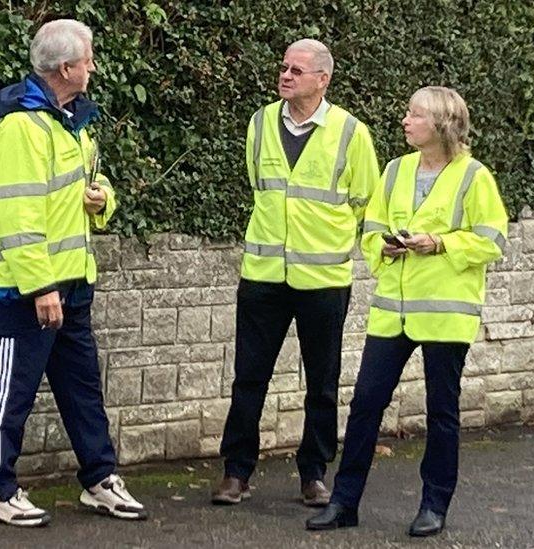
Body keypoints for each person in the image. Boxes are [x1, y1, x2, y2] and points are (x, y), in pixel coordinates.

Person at [306, 86, 508, 536]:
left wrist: (440, 243)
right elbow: (371, 229)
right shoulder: (395, 171)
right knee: (365, 406)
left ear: (440, 125)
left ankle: (433, 506)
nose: (405, 121)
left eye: (414, 115)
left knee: (441, 412)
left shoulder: (474, 177)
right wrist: (387, 248)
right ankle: (344, 502)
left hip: (444, 314)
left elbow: (493, 240)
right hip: (391, 312)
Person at [0, 19, 145, 527]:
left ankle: (100, 480)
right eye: (88, 58)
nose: (94, 66)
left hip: (73, 282)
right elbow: (19, 216)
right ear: (66, 67)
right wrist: (40, 286)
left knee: (82, 388)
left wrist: (102, 200)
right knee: (12, 391)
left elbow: (92, 186)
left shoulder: (73, 122)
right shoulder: (20, 128)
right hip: (30, 290)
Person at [212, 39, 380, 508]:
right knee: (249, 376)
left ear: (322, 80)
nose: (285, 75)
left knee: (322, 382)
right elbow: (257, 183)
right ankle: (236, 472)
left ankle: (313, 474)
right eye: (283, 67)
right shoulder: (261, 122)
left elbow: (365, 200)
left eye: (297, 70)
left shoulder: (351, 133)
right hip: (264, 274)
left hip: (323, 280)